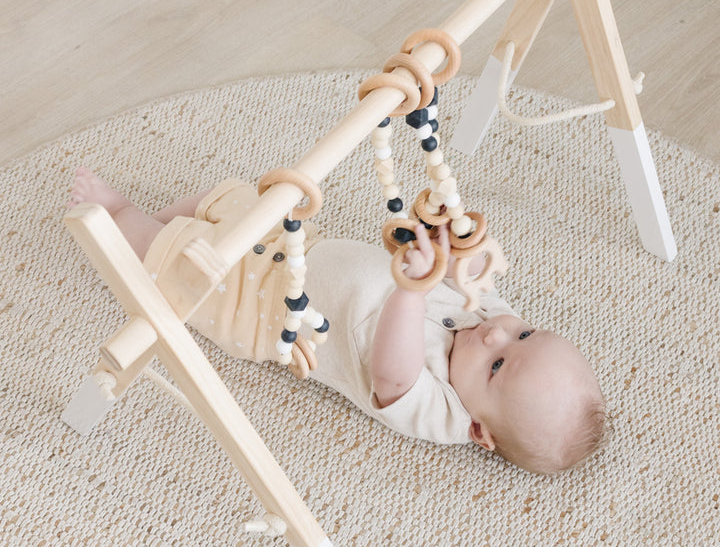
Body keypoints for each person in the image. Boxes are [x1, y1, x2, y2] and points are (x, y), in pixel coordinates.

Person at [67, 167, 605, 474]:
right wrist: (448, 250)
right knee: (228, 200)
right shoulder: (492, 324)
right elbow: (473, 280)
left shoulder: (440, 412)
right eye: (526, 332)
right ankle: (168, 218)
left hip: (259, 308)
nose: (496, 332)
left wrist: (410, 290)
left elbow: (392, 373)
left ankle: (122, 217)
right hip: (298, 249)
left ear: (481, 431)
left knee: (176, 263)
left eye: (498, 363)